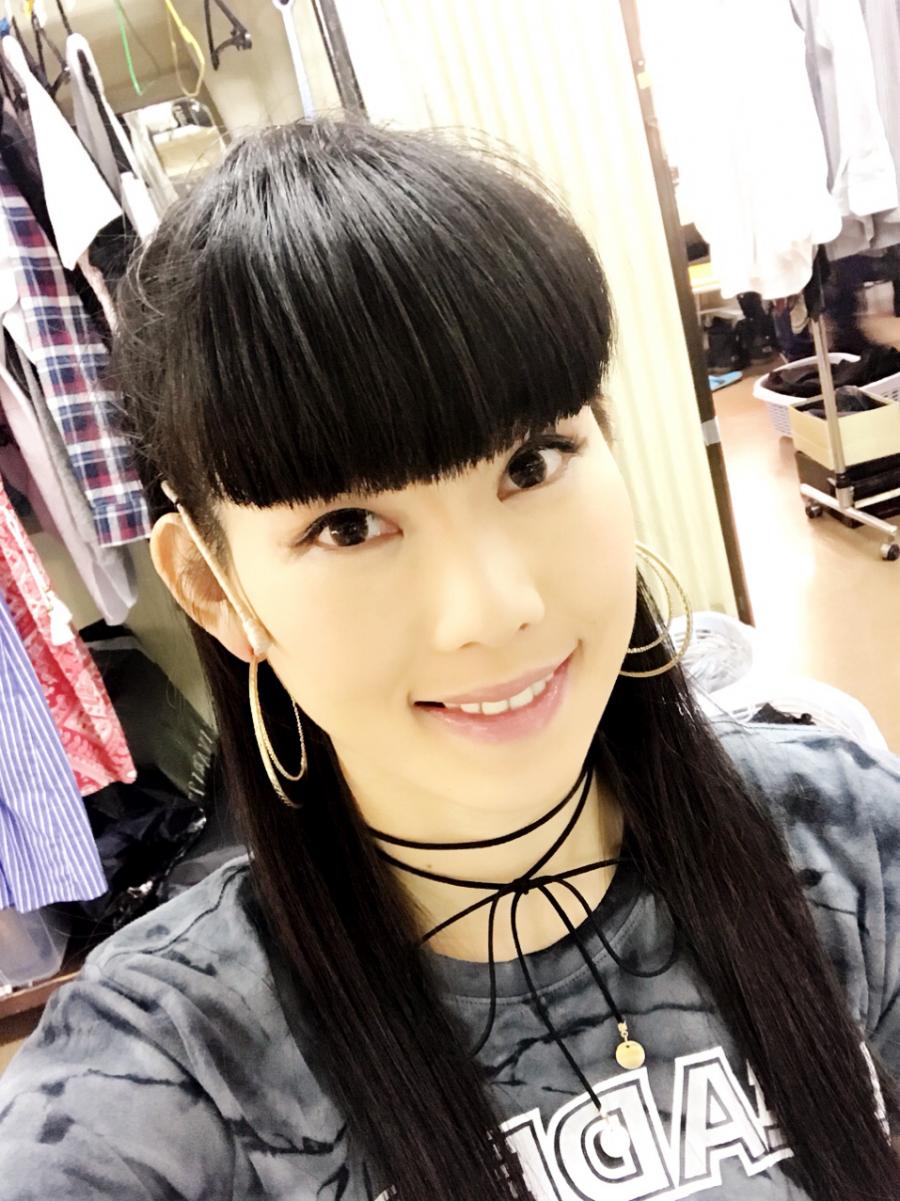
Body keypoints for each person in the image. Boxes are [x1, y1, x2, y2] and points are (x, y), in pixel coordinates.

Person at [0, 118, 897, 1201]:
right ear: (212, 586)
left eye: (534, 461)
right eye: (348, 526)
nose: (495, 609)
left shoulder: (845, 840)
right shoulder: (171, 1062)